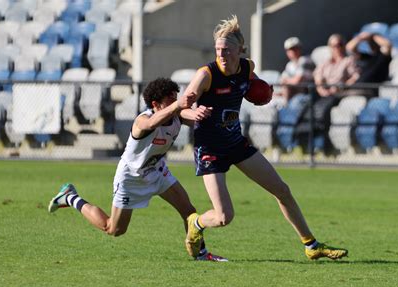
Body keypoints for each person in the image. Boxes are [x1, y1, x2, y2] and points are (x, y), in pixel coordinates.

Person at [182, 15, 348, 261]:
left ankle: (311, 245)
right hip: (210, 148)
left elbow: (254, 87)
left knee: (282, 190)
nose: (221, 54)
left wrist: (261, 91)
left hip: (236, 143)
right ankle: (195, 223)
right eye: (218, 49)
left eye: (227, 50)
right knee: (223, 217)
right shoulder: (206, 74)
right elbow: (181, 107)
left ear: (240, 50)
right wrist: (193, 112)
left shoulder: (248, 67)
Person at [47, 78, 227, 262]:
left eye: (176, 97)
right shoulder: (143, 119)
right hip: (131, 178)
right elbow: (149, 125)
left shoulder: (176, 115)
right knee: (113, 229)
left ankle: (201, 254)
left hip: (158, 172)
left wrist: (202, 113)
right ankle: (69, 197)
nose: (176, 102)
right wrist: (178, 107)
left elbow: (192, 116)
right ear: (156, 104)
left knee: (188, 211)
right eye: (170, 99)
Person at [311, 34, 359, 151]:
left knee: (324, 110)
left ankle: (325, 143)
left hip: (338, 94)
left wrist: (342, 86)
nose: (336, 48)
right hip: (323, 92)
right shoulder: (326, 62)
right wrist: (320, 88)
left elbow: (355, 76)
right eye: (333, 46)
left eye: (339, 45)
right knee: (307, 107)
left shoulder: (348, 60)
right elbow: (317, 75)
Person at [280, 36, 315, 104]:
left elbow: (298, 80)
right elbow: (282, 81)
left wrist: (287, 81)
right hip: (293, 96)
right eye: (290, 49)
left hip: (306, 95)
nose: (293, 51)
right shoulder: (289, 65)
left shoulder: (305, 60)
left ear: (300, 49)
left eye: (295, 48)